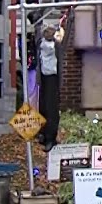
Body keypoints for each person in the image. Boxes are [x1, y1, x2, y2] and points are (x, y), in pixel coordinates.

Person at [36, 23, 65, 151]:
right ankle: (42, 133)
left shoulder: (56, 46)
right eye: (47, 31)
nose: (49, 34)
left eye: (51, 32)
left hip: (52, 78)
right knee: (43, 107)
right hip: (43, 78)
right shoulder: (40, 44)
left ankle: (50, 138)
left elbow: (60, 63)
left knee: (52, 108)